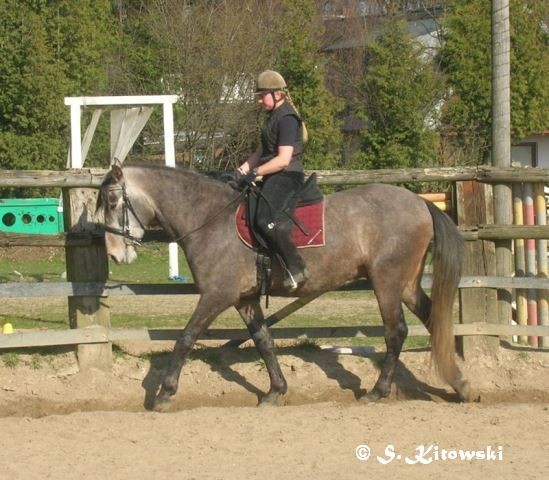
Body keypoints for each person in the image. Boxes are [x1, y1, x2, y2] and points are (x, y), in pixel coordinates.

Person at [232, 70, 308, 291]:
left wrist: (256, 173)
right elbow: (261, 152)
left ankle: (296, 266)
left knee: (266, 220)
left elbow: (283, 160)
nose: (258, 100)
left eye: (261, 95)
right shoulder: (271, 118)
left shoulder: (287, 119)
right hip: (272, 173)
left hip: (286, 176)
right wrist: (240, 171)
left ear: (277, 94)